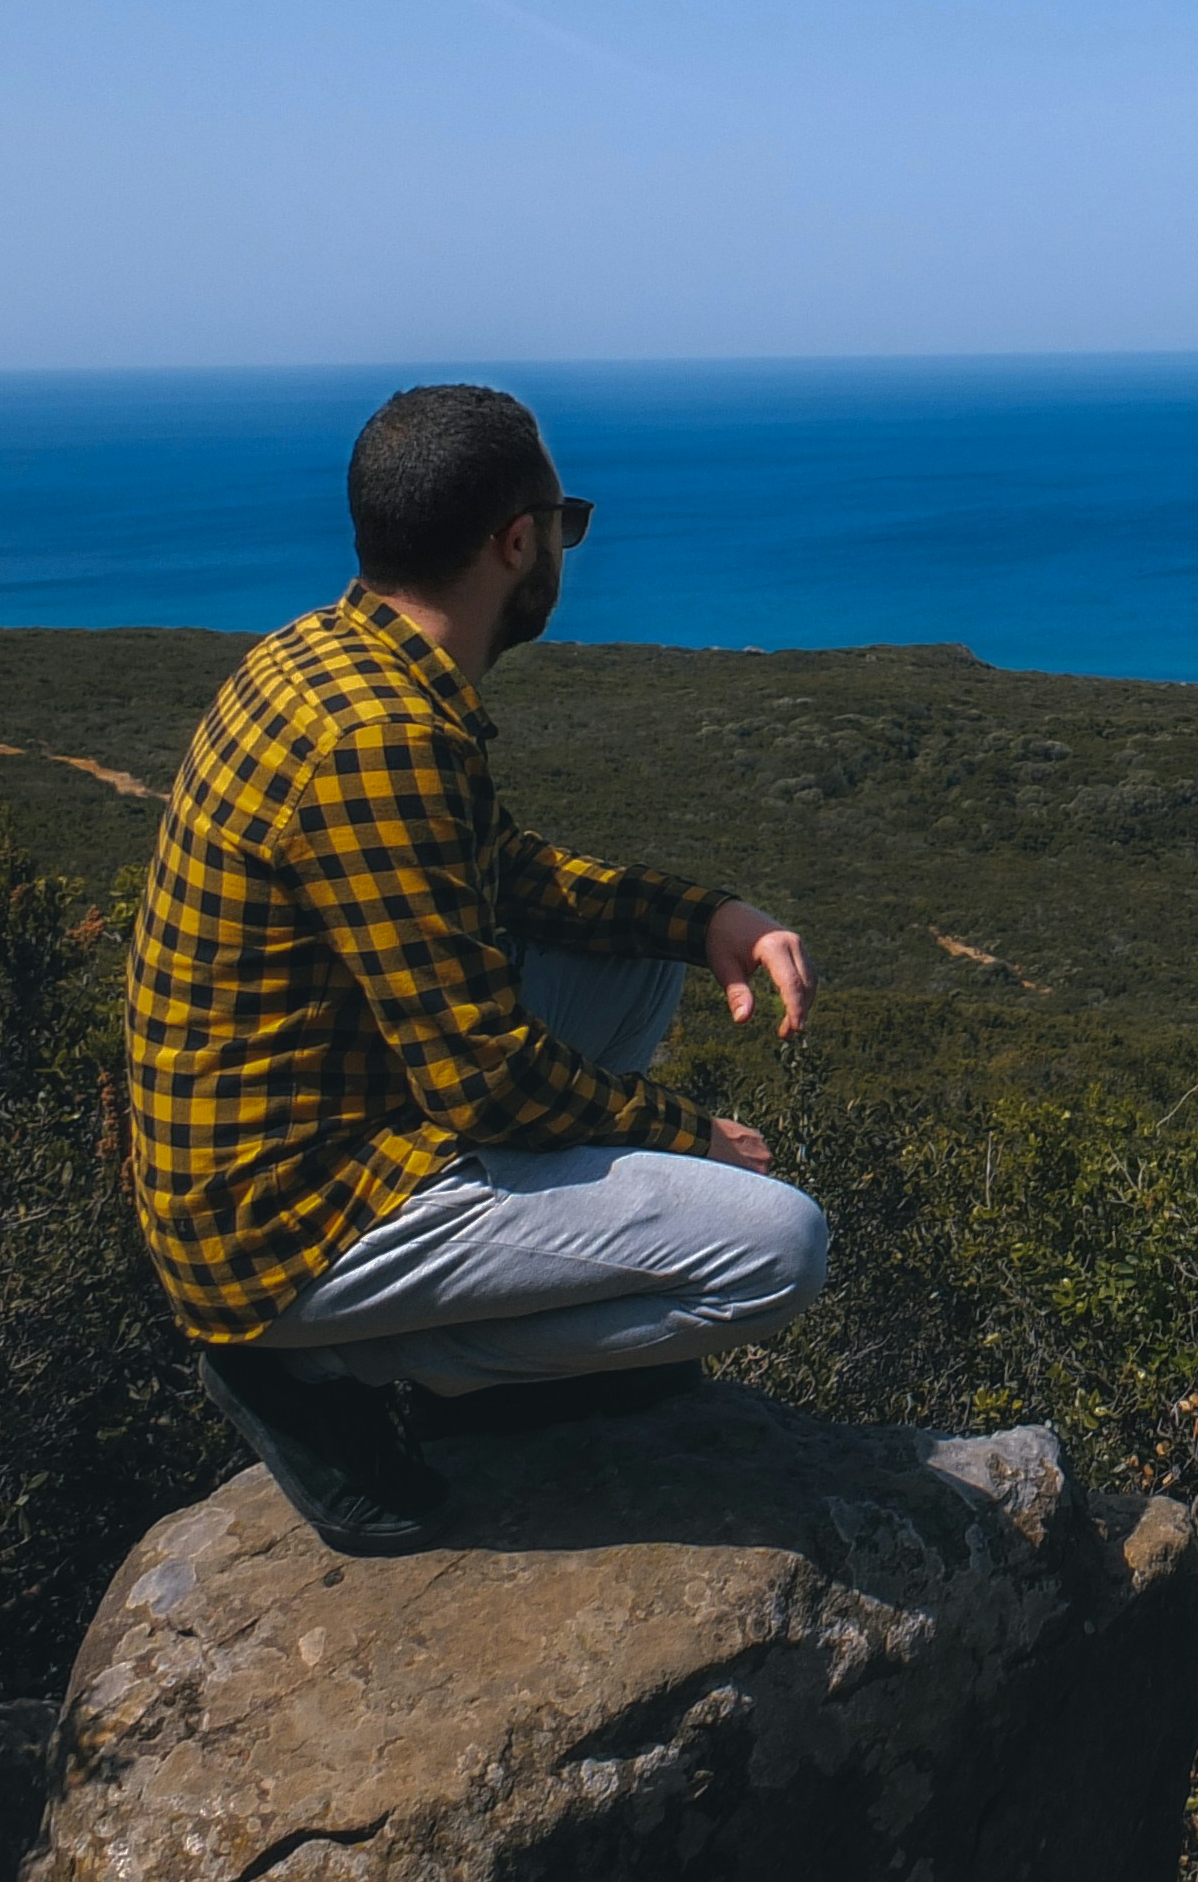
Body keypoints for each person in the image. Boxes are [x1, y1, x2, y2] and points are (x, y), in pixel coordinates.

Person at [125, 382, 831, 1554]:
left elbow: (503, 874)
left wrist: (708, 918)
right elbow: (482, 1079)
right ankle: (341, 1372)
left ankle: (488, 1343)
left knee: (638, 960)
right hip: (283, 1222)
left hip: (287, 1129)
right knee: (777, 1250)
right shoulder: (381, 739)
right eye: (566, 522)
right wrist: (688, 1132)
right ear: (517, 542)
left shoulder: (329, 655)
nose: (565, 545)